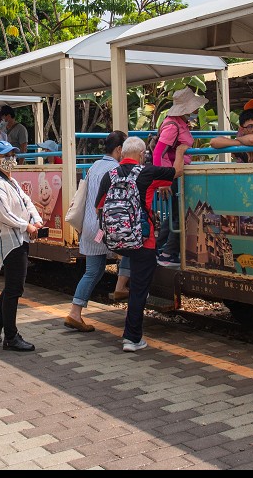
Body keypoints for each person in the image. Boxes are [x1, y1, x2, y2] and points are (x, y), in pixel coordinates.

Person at [96, 136, 187, 352]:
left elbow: (98, 207)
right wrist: (181, 150)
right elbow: (178, 171)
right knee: (138, 290)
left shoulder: (109, 176)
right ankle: (132, 338)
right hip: (144, 241)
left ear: (122, 153)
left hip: (119, 241)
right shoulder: (147, 172)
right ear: (141, 155)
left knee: (135, 285)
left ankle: (132, 334)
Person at [64, 130, 126, 332]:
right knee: (129, 256)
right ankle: (124, 294)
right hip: (105, 227)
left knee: (94, 271)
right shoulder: (116, 169)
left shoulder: (94, 166)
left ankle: (75, 312)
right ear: (118, 149)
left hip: (90, 226)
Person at [0, 141, 43, 352]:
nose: (10, 159)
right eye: (5, 156)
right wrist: (26, 225)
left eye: (12, 155)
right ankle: (10, 336)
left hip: (20, 240)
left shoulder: (11, 181)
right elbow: (4, 215)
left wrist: (35, 219)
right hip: (11, 243)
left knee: (12, 287)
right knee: (13, 289)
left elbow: (27, 202)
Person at [151, 87, 204, 268]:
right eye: (194, 108)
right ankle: (168, 253)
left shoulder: (178, 123)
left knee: (175, 213)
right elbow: (158, 153)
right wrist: (163, 181)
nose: (197, 111)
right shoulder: (173, 126)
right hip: (172, 175)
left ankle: (158, 249)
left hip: (175, 174)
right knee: (179, 215)